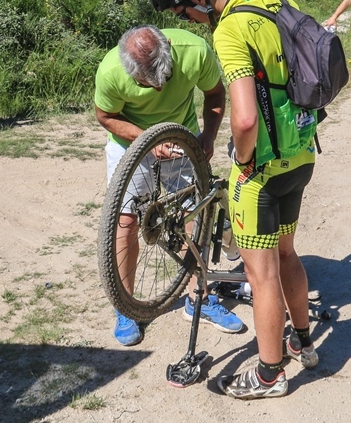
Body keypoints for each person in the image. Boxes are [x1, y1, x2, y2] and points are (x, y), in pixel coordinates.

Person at [149, 0, 319, 400]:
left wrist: (242, 161)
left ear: (198, 0)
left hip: (261, 169)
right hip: (300, 153)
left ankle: (268, 374)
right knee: (287, 255)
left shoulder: (228, 30)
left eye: (185, 14)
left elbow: (243, 118)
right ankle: (302, 342)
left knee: (260, 274)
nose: (189, 23)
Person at [94, 24, 244, 346]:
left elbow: (216, 94)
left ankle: (197, 298)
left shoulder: (194, 52)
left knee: (196, 212)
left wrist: (209, 136)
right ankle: (126, 308)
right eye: (149, 85)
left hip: (182, 134)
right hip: (130, 139)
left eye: (165, 79)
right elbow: (106, 116)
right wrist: (146, 142)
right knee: (125, 218)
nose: (160, 90)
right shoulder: (110, 72)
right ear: (130, 73)